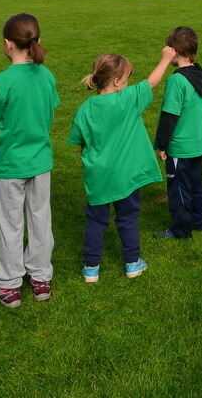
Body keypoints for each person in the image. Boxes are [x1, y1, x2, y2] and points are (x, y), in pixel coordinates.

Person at [69, 49, 177, 282]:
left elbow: (79, 140)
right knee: (127, 218)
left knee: (96, 221)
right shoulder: (127, 99)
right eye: (126, 80)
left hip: (98, 177)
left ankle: (91, 268)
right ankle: (132, 264)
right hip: (126, 177)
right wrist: (166, 59)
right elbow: (151, 82)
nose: (128, 84)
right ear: (117, 81)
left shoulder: (85, 109)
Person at [0, 14, 60, 307]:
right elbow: (48, 114)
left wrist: (6, 132)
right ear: (37, 41)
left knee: (10, 224)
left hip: (10, 163)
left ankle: (9, 286)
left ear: (7, 44)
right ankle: (40, 280)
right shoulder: (47, 76)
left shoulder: (1, 81)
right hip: (39, 161)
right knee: (40, 219)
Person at [153, 27, 202, 239]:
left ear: (173, 51)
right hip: (198, 144)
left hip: (180, 147)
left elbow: (169, 116)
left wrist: (162, 145)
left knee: (179, 188)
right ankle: (199, 221)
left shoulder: (177, 81)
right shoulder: (200, 74)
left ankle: (181, 229)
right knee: (196, 184)